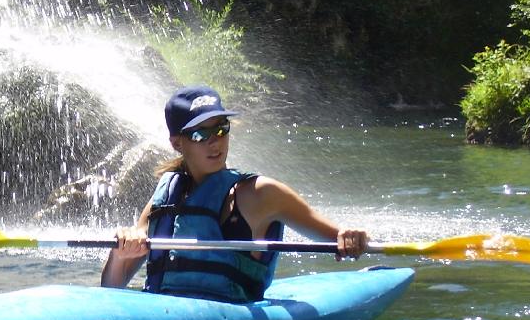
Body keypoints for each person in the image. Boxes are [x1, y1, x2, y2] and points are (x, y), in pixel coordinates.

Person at [100, 85, 369, 302]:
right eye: (199, 135)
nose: (214, 141)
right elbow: (113, 286)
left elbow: (335, 237)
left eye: (221, 129)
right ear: (176, 143)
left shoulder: (261, 193)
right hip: (164, 316)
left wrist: (349, 237)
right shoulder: (166, 197)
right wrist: (121, 251)